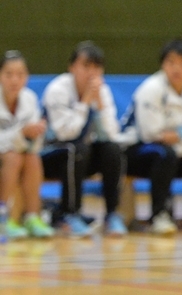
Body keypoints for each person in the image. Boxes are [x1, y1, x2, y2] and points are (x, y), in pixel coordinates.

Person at [124, 38, 182, 235]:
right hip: (138, 151)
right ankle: (160, 215)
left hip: (180, 151)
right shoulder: (151, 89)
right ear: (163, 64)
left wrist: (177, 136)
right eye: (171, 62)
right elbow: (152, 134)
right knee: (164, 153)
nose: (177, 69)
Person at [40, 41, 128, 237]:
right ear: (72, 67)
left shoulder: (102, 91)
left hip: (81, 157)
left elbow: (112, 134)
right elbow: (65, 134)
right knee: (76, 150)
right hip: (50, 155)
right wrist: (85, 102)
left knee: (112, 149)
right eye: (86, 66)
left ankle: (112, 214)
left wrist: (101, 105)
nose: (91, 73)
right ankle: (69, 214)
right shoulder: (58, 90)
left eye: (96, 67)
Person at [0, 50, 54, 239]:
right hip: (6, 154)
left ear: (27, 77)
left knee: (32, 157)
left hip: (19, 151)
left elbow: (35, 143)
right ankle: (2, 218)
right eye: (8, 74)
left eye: (20, 75)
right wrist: (20, 134)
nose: (14, 80)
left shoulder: (30, 99)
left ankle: (32, 216)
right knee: (14, 157)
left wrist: (35, 133)